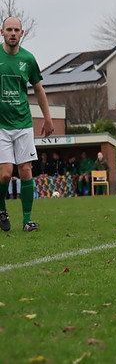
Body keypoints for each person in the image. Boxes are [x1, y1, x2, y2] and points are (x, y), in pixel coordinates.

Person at [0, 16, 55, 233]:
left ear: (22, 33)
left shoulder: (29, 59)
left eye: (16, 30)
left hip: (23, 123)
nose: (13, 33)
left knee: (25, 170)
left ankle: (27, 220)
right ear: (2, 32)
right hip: (1, 125)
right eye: (9, 29)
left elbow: (39, 89)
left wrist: (48, 118)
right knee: (5, 174)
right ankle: (2, 208)